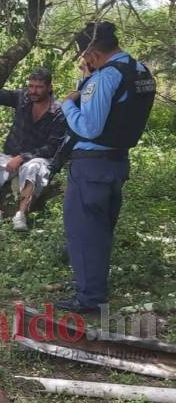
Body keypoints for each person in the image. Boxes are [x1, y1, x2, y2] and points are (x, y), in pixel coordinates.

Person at [56, 21, 156, 313]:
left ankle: (90, 299)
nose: (85, 62)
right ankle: (93, 290)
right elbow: (120, 109)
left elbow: (89, 125)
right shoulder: (140, 72)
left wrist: (67, 104)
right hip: (116, 163)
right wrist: (87, 82)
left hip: (91, 168)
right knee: (99, 232)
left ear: (93, 53)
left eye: (85, 57)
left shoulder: (104, 78)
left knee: (85, 232)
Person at [0, 50, 66, 231]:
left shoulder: (58, 112)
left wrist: (23, 157)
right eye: (31, 86)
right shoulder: (22, 97)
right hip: (11, 157)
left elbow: (52, 147)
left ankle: (21, 215)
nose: (33, 91)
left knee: (32, 167)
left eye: (39, 87)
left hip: (38, 159)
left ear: (49, 87)